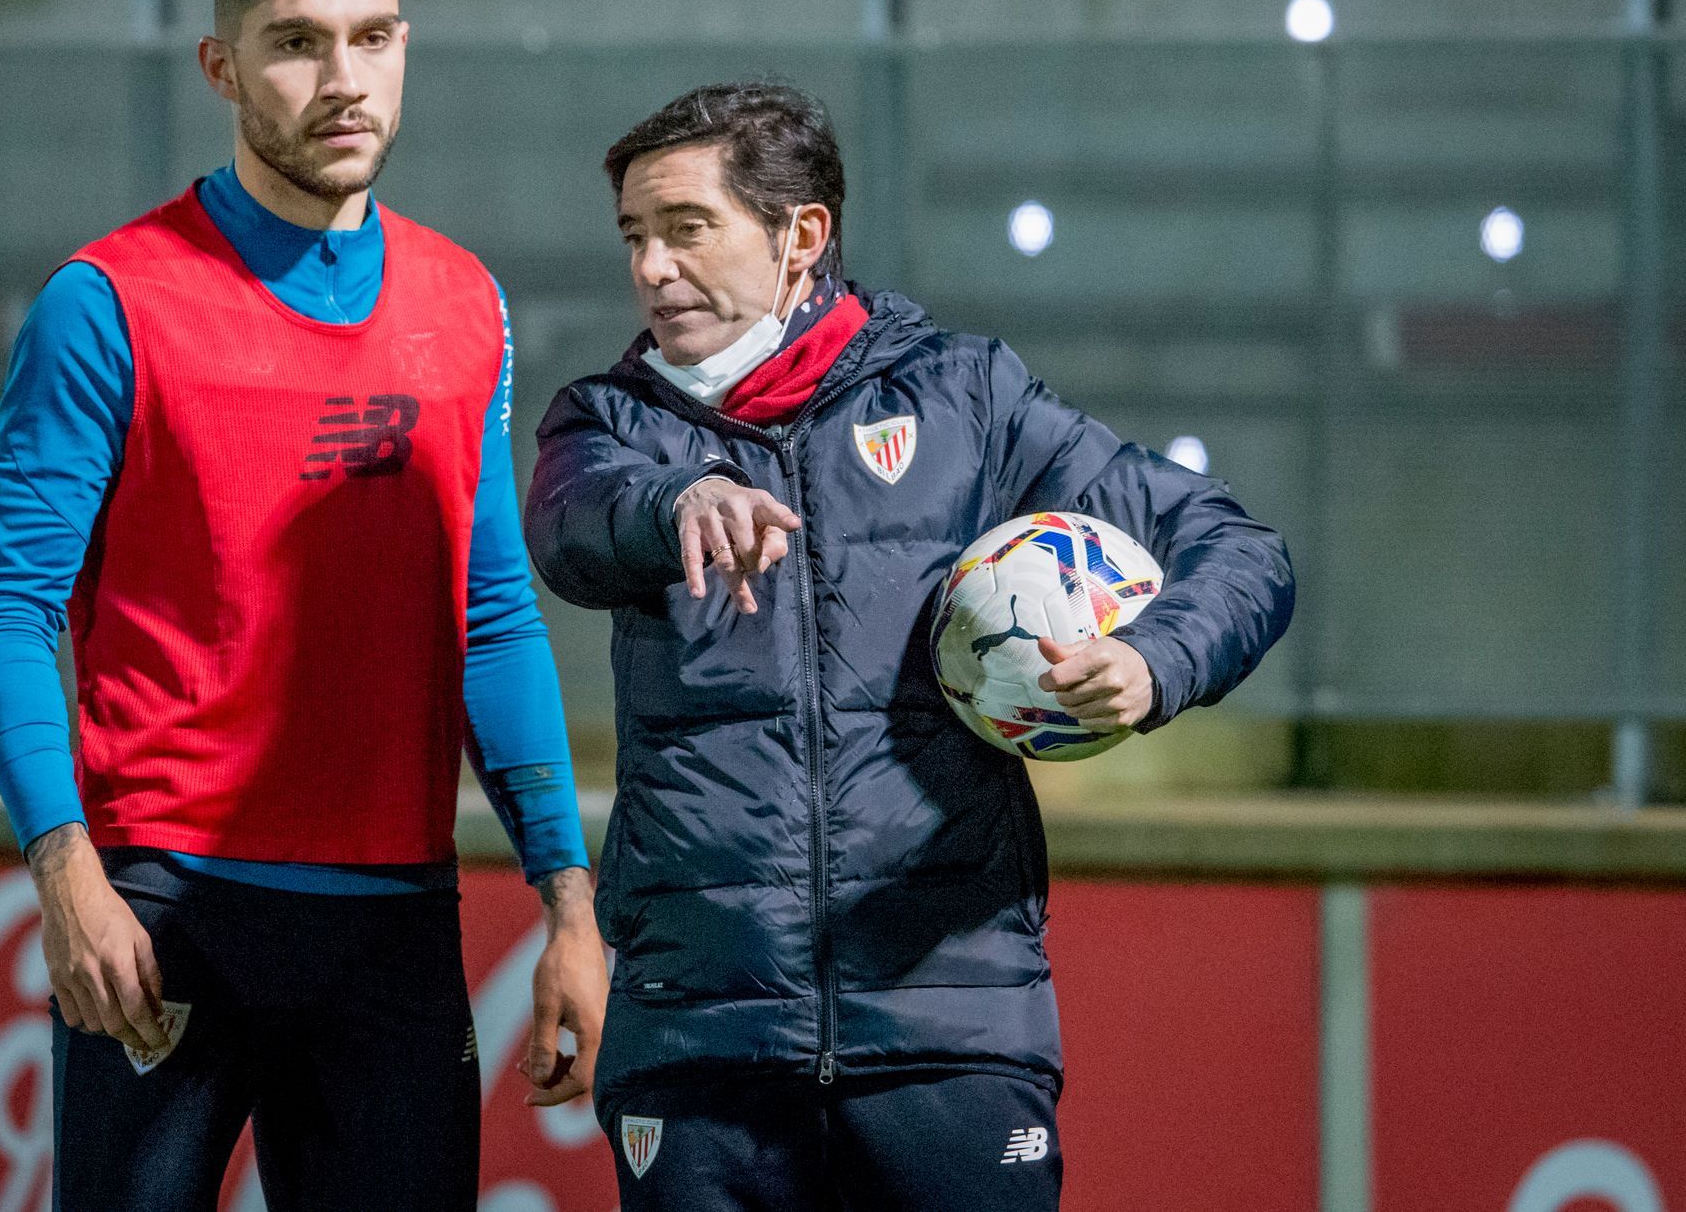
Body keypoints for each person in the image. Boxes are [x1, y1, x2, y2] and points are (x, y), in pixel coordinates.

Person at [524, 81, 1295, 1211]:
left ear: (800, 236)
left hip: (949, 1025)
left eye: (686, 228)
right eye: (634, 236)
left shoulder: (964, 400)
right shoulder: (604, 424)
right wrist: (677, 502)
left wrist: (1154, 661)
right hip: (701, 1044)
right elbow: (573, 524)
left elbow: (1234, 547)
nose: (649, 267)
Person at [0, 0, 605, 1211]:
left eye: (373, 36)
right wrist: (64, 866)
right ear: (223, 66)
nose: (343, 77)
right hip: (167, 911)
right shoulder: (108, 302)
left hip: (393, 927)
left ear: (407, 49)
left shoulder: (463, 304)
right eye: (300, 40)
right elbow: (7, 607)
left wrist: (569, 900)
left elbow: (489, 616)